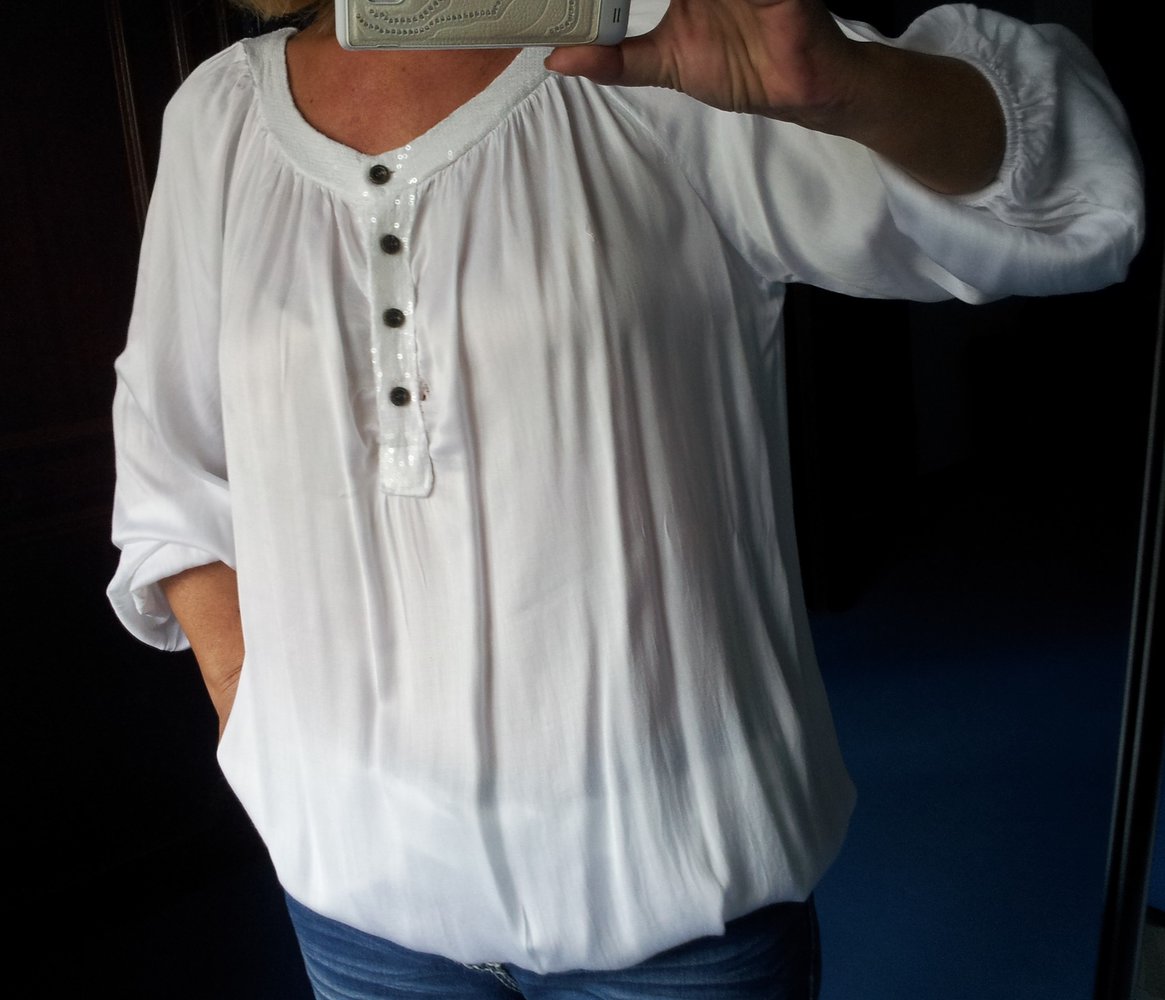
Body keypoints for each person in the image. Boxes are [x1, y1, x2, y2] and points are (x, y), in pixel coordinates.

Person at [107, 0, 1144, 996]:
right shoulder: (220, 119)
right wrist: (258, 731)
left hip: (674, 902)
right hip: (354, 903)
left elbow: (1064, 195)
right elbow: (170, 457)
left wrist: (851, 86)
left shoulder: (667, 52)